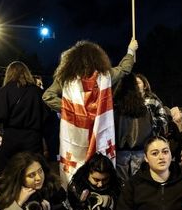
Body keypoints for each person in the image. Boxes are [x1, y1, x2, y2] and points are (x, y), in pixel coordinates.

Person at [42, 38, 139, 184]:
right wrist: (130, 51)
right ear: (98, 59)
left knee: (76, 165)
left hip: (76, 127)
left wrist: (70, 110)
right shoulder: (105, 76)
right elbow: (124, 69)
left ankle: (76, 190)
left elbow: (47, 96)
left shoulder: (66, 79)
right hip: (99, 127)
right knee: (99, 164)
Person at [0, 61, 53, 171]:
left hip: (11, 139)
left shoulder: (5, 91)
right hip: (33, 139)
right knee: (33, 171)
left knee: (9, 172)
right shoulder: (38, 92)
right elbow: (47, 118)